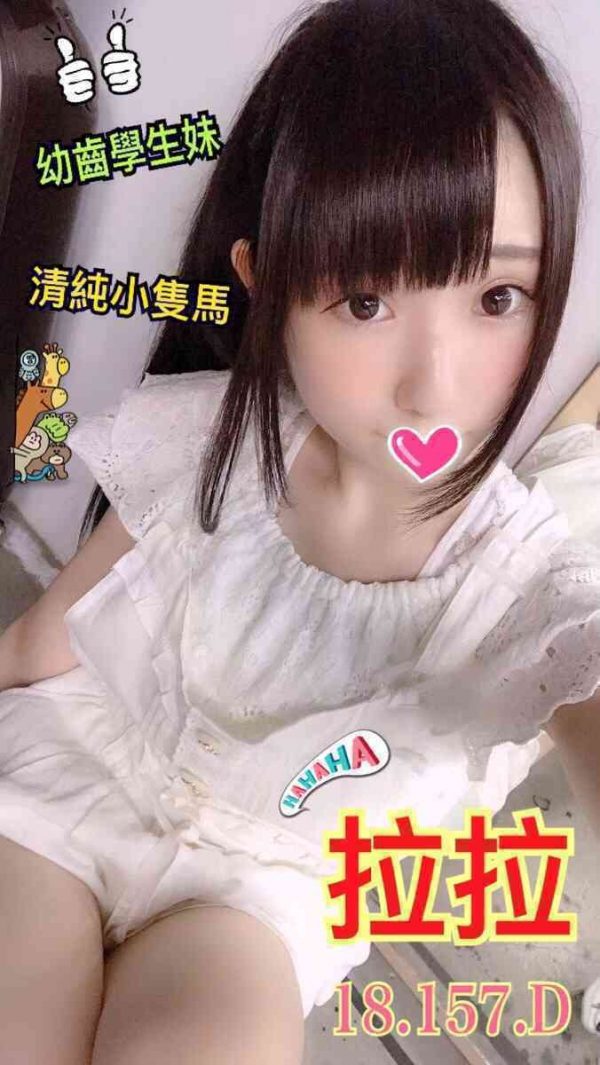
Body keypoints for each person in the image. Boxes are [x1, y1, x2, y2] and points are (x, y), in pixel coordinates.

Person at [0, 1, 599, 1062]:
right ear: (265, 281)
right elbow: (45, 640)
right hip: (76, 770)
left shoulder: (526, 583)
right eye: (366, 301)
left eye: (498, 296)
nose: (433, 385)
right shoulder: (211, 432)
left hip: (259, 897)